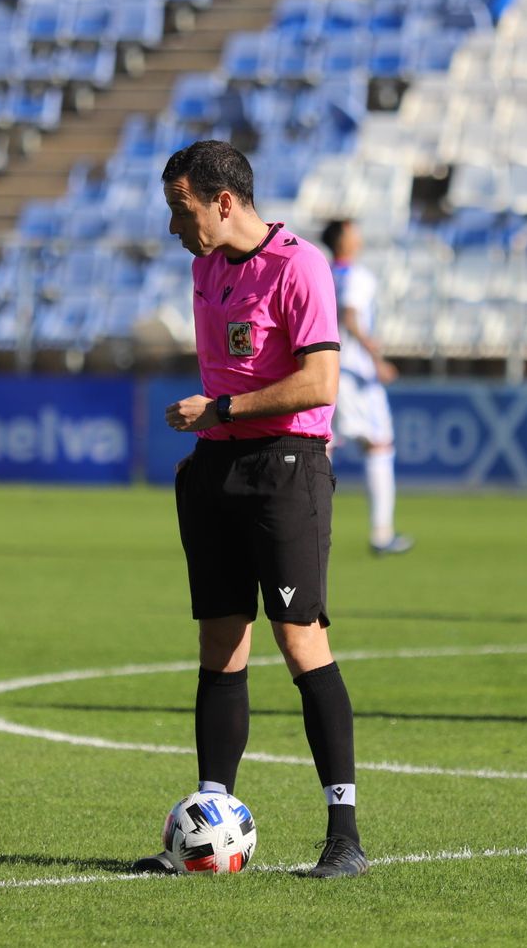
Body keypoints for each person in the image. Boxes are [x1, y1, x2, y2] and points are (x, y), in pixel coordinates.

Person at [135, 140, 368, 879]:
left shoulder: (300, 266)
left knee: (301, 642)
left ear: (223, 202)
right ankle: (207, 825)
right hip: (217, 470)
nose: (177, 227)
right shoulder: (205, 267)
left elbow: (321, 382)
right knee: (220, 646)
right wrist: (214, 427)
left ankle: (344, 836)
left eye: (183, 209)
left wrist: (223, 406)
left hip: (286, 470)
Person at [319, 219, 413, 556]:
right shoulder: (357, 276)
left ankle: (306, 522)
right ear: (344, 239)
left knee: (322, 445)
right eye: (354, 230)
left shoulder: (325, 273)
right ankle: (381, 532)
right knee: (379, 445)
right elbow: (351, 315)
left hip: (326, 370)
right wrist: (376, 357)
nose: (360, 235)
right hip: (355, 374)